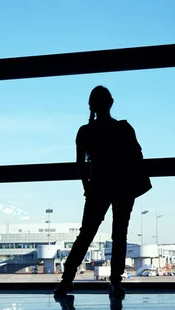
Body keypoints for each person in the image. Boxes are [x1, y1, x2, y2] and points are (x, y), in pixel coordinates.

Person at [54, 86, 151, 298]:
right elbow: (137, 157)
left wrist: (86, 186)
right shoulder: (124, 129)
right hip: (124, 186)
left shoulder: (85, 132)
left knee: (86, 234)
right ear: (111, 102)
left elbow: (80, 164)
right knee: (120, 235)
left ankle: (67, 280)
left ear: (91, 106)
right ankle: (115, 282)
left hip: (97, 186)